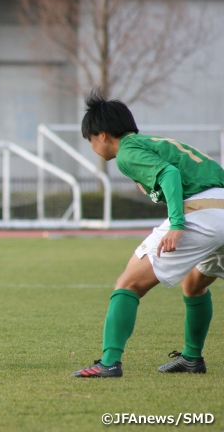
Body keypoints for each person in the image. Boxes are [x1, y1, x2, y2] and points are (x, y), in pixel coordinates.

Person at [71, 88, 224, 378]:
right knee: (194, 283)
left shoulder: (127, 153)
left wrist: (177, 225)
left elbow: (170, 174)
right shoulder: (157, 143)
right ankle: (192, 358)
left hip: (203, 215)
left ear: (102, 135)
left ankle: (109, 363)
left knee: (128, 284)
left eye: (90, 139)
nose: (92, 146)